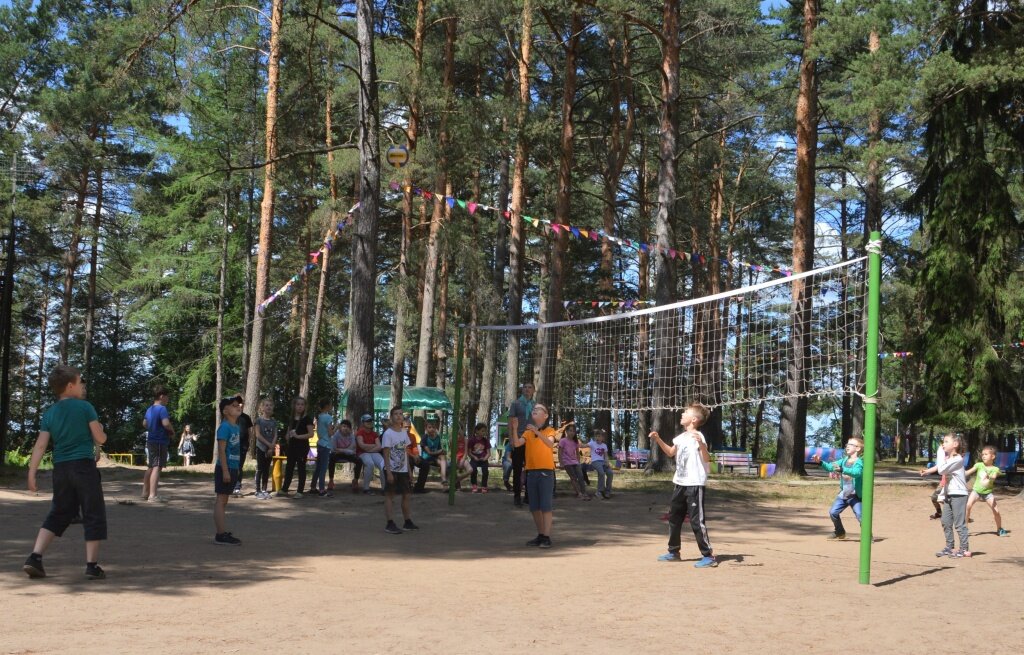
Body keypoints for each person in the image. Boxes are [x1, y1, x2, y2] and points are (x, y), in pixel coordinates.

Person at [23, 365, 108, 580]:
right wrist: (101, 436)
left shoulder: (50, 413)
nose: (83, 386)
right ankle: (92, 566)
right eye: (80, 382)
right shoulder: (85, 407)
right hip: (83, 467)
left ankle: (35, 557)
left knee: (59, 512)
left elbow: (41, 445)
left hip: (61, 469)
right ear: (70, 386)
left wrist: (32, 472)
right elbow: (100, 438)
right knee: (92, 513)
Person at [649, 404, 717, 568]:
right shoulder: (681, 437)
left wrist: (701, 444)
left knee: (696, 521)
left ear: (693, 419)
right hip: (680, 483)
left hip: (695, 484)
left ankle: (708, 556)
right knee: (674, 518)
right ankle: (674, 552)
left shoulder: (698, 436)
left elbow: (707, 459)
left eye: (685, 413)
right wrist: (658, 439)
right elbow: (671, 453)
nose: (682, 414)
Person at [512, 403, 557, 548]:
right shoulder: (528, 432)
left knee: (546, 507)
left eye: (538, 410)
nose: (534, 411)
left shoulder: (550, 430)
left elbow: (550, 445)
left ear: (545, 415)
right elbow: (518, 444)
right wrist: (514, 428)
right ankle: (540, 535)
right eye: (533, 410)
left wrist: (537, 432)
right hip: (531, 473)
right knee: (534, 507)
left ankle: (547, 537)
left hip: (546, 472)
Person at [920, 433, 970, 558]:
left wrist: (940, 453)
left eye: (946, 441)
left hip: (959, 494)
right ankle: (949, 547)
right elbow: (939, 467)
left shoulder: (958, 459)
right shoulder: (949, 459)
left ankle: (964, 549)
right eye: (943, 441)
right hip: (949, 493)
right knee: (946, 521)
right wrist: (927, 471)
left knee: (959, 524)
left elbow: (942, 470)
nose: (943, 444)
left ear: (955, 444)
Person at [812, 437, 865, 540]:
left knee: (860, 515)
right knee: (833, 512)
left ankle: (867, 535)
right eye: (847, 444)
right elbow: (831, 467)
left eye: (851, 444)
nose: (847, 446)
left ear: (858, 449)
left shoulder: (859, 462)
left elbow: (857, 473)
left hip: (855, 495)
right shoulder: (844, 460)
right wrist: (820, 462)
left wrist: (843, 469)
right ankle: (839, 531)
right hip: (844, 494)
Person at [381, 407, 419, 534]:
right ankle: (389, 523)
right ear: (391, 417)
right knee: (390, 496)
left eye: (400, 414)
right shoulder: (388, 434)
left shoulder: (404, 433)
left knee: (407, 495)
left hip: (403, 470)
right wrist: (389, 472)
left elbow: (405, 453)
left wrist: (409, 471)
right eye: (396, 414)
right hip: (391, 469)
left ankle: (407, 521)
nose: (398, 416)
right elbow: (386, 453)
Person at [213, 397, 243, 545]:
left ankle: (222, 532)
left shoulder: (236, 427)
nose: (238, 406)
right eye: (234, 405)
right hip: (225, 468)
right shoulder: (225, 427)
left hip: (233, 467)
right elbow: (222, 451)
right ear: (225, 411)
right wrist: (225, 471)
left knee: (224, 500)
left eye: (239, 405)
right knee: (221, 500)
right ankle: (220, 534)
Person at [965, 444, 1008, 536]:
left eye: (986, 454)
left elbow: (994, 476)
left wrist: (991, 477)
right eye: (982, 454)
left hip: (988, 493)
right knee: (968, 506)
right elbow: (968, 472)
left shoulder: (995, 469)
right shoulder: (979, 465)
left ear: (992, 456)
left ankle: (999, 529)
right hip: (976, 491)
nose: (983, 456)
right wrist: (959, 472)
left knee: (996, 511)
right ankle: (965, 528)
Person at [142, 389, 174, 502]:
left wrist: (153, 428)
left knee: (151, 466)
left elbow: (144, 423)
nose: (168, 399)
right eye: (167, 397)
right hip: (160, 441)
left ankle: (145, 493)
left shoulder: (149, 409)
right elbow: (165, 423)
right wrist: (172, 430)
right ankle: (153, 495)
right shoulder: (162, 409)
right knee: (157, 466)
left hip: (150, 440)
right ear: (161, 396)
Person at [279, 396, 314, 497]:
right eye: (298, 404)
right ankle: (285, 489)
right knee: (289, 467)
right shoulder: (291, 418)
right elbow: (287, 433)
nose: (300, 406)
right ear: (294, 406)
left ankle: (300, 491)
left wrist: (298, 436)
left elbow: (311, 434)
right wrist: (287, 436)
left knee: (301, 468)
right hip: (291, 446)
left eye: (302, 404)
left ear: (305, 406)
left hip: (302, 447)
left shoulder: (307, 419)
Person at [508, 382, 536, 507]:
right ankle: (517, 497)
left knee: (530, 470)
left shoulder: (536, 406)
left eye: (530, 387)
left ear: (534, 390)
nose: (527, 389)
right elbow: (510, 422)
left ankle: (529, 497)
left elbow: (539, 424)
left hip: (532, 442)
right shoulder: (516, 404)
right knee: (517, 469)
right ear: (522, 390)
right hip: (518, 440)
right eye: (525, 387)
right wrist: (511, 440)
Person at [253, 397, 278, 499]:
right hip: (261, 447)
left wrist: (272, 447)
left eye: (270, 405)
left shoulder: (273, 421)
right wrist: (268, 444)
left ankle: (264, 489)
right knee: (260, 468)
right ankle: (257, 490)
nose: (268, 407)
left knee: (267, 469)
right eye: (266, 405)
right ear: (262, 408)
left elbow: (275, 434)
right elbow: (258, 435)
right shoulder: (259, 420)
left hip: (270, 449)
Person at [558, 422, 590, 500]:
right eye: (570, 430)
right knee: (573, 477)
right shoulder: (562, 441)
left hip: (575, 462)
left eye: (573, 431)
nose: (572, 432)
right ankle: (579, 493)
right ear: (566, 431)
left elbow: (577, 453)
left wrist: (578, 462)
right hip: (567, 462)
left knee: (581, 477)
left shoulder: (575, 442)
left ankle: (584, 492)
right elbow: (560, 452)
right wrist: (561, 462)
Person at [413, 416, 445, 493]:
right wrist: (440, 451)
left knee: (444, 460)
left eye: (433, 427)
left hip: (435, 458)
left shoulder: (437, 437)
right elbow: (429, 452)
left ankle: (445, 482)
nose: (432, 429)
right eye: (429, 427)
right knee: (442, 462)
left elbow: (439, 449)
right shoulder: (424, 437)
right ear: (426, 428)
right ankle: (444, 480)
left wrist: (442, 452)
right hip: (426, 458)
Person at [329, 419, 362, 493]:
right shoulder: (336, 435)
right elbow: (333, 449)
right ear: (340, 427)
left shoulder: (352, 436)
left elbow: (353, 450)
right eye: (343, 426)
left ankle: (355, 480)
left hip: (347, 454)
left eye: (347, 427)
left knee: (359, 461)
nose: (345, 428)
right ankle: (331, 480)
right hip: (337, 454)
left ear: (350, 429)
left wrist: (341, 450)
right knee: (331, 458)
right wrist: (346, 450)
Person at [356, 413, 385, 494]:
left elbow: (379, 446)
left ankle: (384, 488)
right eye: (367, 421)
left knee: (383, 464)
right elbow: (361, 446)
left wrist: (368, 449)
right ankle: (366, 488)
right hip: (362, 453)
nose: (369, 422)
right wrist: (373, 446)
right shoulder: (360, 432)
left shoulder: (374, 433)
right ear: (363, 423)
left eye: (371, 421)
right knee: (370, 464)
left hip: (372, 452)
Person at [312, 400, 335, 497]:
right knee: (323, 468)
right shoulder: (328, 417)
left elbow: (324, 430)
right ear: (327, 406)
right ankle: (322, 489)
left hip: (320, 443)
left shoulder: (320, 417)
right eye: (330, 405)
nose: (331, 406)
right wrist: (336, 428)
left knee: (318, 467)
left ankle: (313, 487)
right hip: (326, 445)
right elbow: (330, 433)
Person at [232, 394, 253, 496]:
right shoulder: (230, 416)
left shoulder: (246, 417)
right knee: (231, 466)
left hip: (243, 446)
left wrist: (248, 444)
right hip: (232, 446)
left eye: (241, 403)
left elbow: (249, 432)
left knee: (239, 467)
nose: (239, 405)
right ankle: (229, 486)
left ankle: (237, 487)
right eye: (237, 403)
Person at [588, 428, 614, 499]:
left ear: (602, 438)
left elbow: (605, 456)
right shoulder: (592, 443)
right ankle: (599, 492)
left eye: (599, 436)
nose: (597, 438)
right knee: (602, 473)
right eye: (596, 436)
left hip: (602, 462)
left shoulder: (604, 445)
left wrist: (607, 462)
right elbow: (583, 445)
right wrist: (575, 443)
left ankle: (607, 491)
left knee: (610, 473)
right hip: (595, 462)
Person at [468, 422, 492, 493]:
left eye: (485, 431)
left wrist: (485, 458)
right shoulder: (472, 440)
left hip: (483, 459)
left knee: (485, 471)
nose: (484, 432)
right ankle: (474, 485)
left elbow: (488, 453)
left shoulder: (486, 441)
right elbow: (469, 452)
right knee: (473, 469)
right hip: (474, 459)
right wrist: (474, 457)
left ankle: (484, 486)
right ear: (477, 431)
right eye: (482, 431)